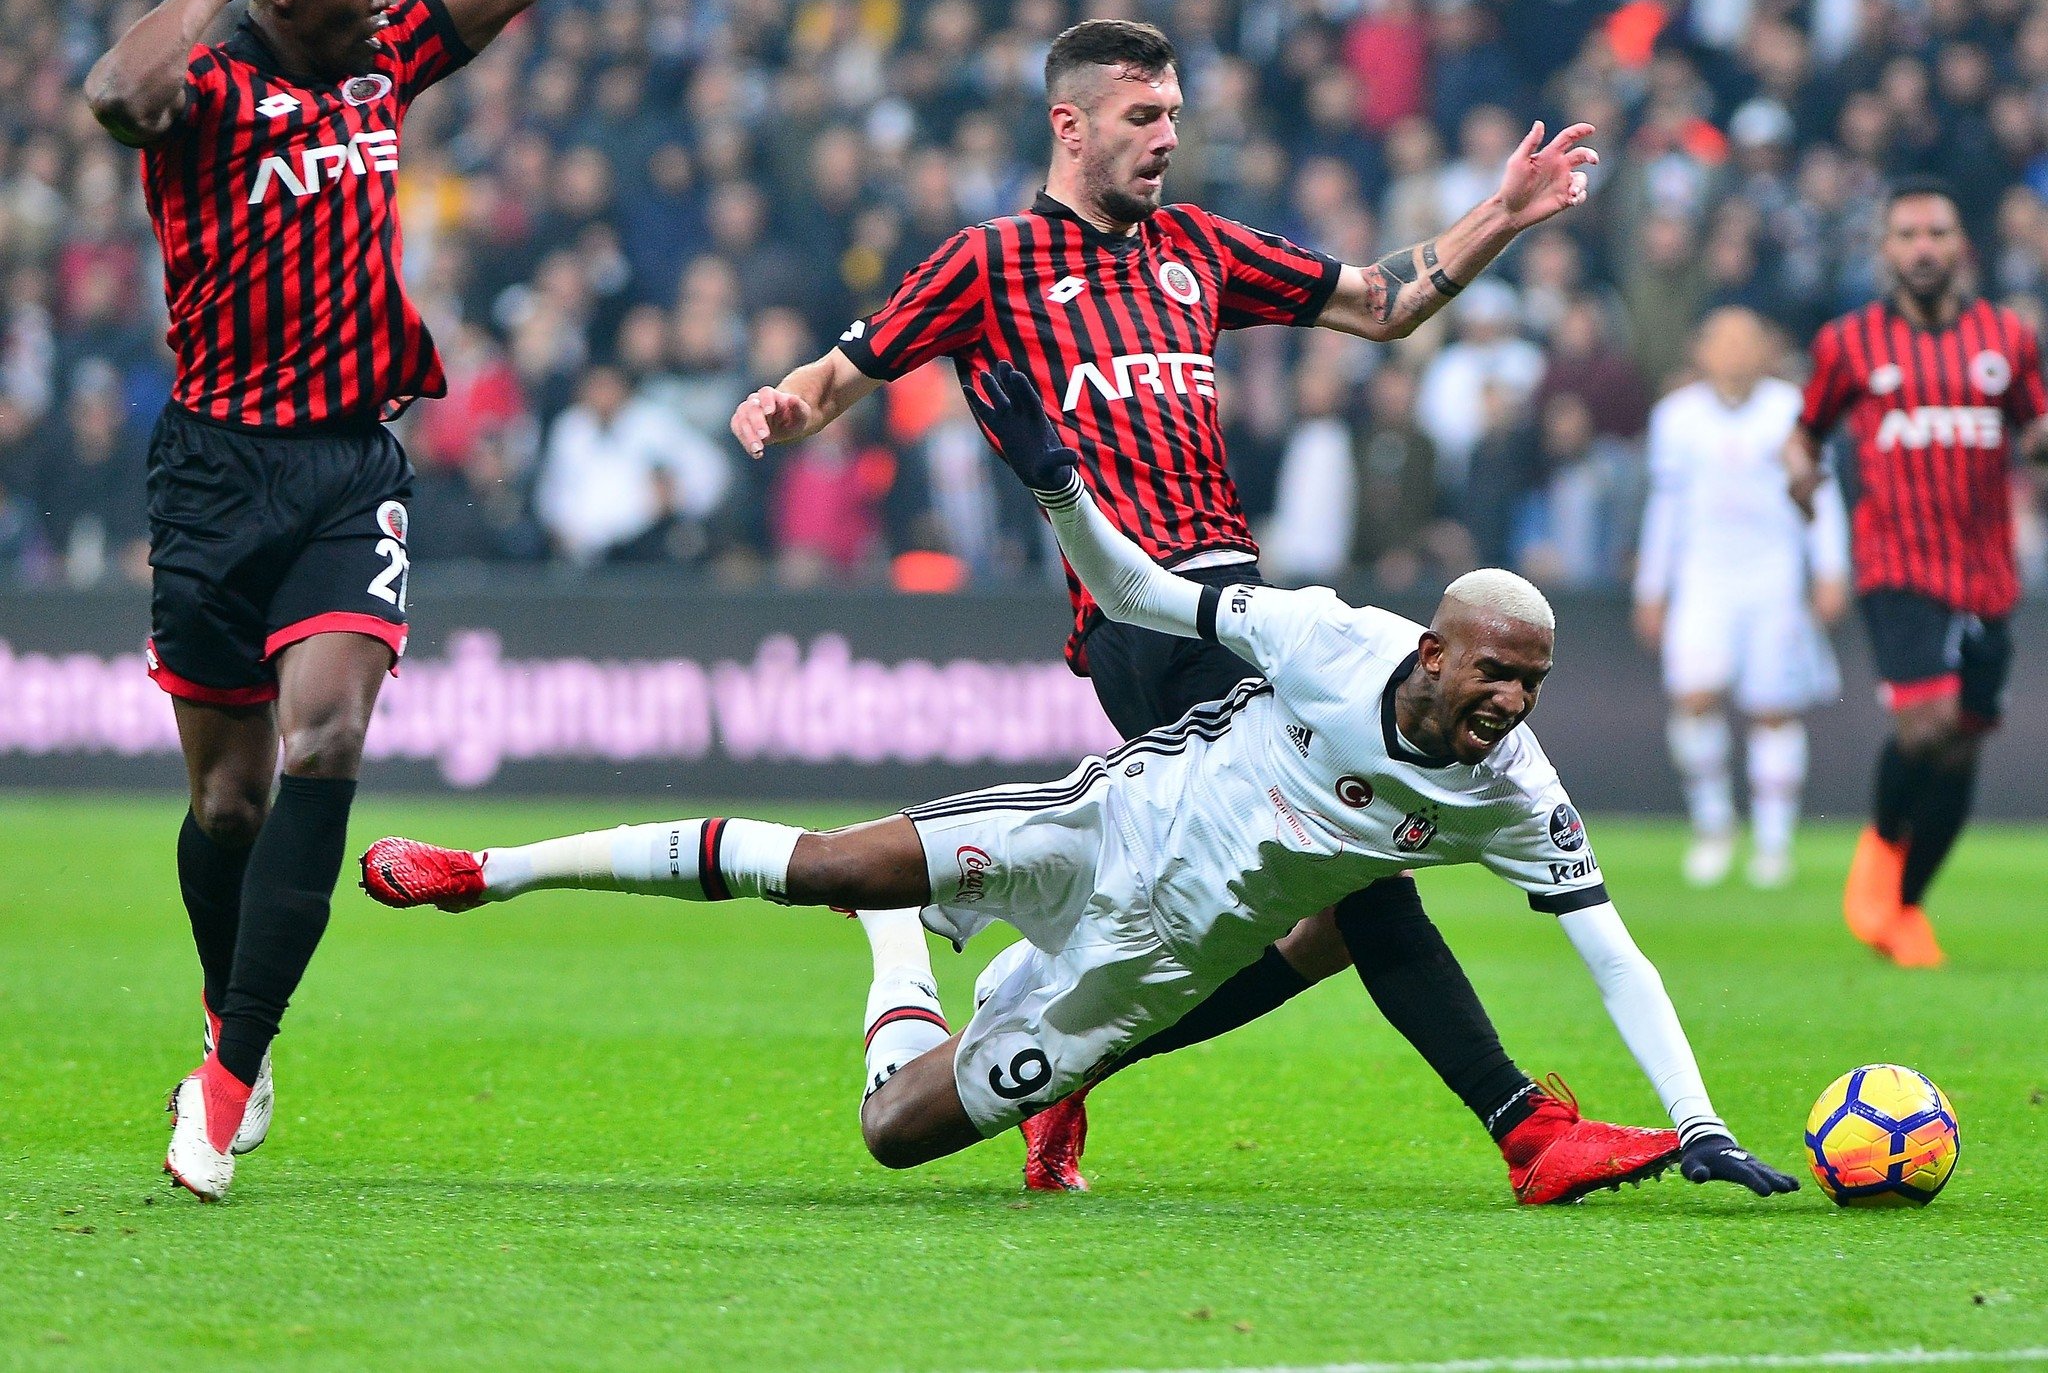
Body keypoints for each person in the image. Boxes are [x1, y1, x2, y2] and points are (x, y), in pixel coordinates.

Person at [361, 361, 1799, 1203]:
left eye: (1531, 684)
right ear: (1435, 649)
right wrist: (1057, 484)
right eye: (1495, 673)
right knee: (831, 864)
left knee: (893, 1135)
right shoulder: (1321, 638)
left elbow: (1613, 952)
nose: (1511, 703)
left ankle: (914, 967)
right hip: (1097, 832)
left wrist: (1699, 1123)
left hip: (1145, 976)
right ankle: (497, 872)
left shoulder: (1513, 791)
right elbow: (1139, 592)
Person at [726, 17, 1679, 1203]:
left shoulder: (1197, 248)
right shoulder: (989, 260)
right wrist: (784, 405)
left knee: (1319, 920)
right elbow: (841, 375)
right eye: (1142, 115)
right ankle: (1526, 1129)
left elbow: (1380, 303)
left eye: (1174, 114)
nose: (1167, 136)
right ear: (1070, 125)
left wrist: (1503, 210)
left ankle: (1069, 1062)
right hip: (1145, 619)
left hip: (1235, 603)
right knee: (1360, 859)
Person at [83, 0, 564, 1200]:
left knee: (330, 735)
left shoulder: (379, 61)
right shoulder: (206, 93)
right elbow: (117, 95)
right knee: (228, 804)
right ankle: (223, 1010)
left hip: (351, 468)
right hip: (215, 477)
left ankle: (229, 1073)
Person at [1787, 178, 2048, 967]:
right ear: (1886, 249)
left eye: (1937, 232)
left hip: (1987, 568)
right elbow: (1807, 431)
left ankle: (1904, 906)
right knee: (1926, 724)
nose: (1924, 247)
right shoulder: (1850, 342)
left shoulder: (2008, 338)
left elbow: (2034, 427)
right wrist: (1799, 472)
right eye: (1908, 234)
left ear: (1960, 244)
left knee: (1964, 742)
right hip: (1896, 559)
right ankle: (1878, 854)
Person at [1635, 308, 1850, 889]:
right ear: (1700, 351)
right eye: (1722, 341)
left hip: (1773, 579)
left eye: (1744, 341)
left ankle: (1774, 842)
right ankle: (1714, 826)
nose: (1733, 352)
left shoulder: (1793, 411)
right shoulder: (1676, 417)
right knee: (1693, 697)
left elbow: (1821, 496)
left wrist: (1831, 570)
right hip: (1703, 579)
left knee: (1773, 709)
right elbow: (1665, 506)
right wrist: (1652, 587)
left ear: (1765, 350)